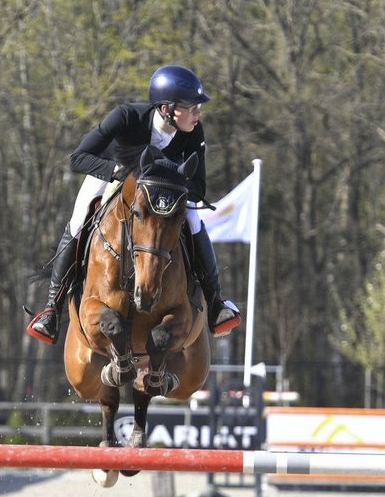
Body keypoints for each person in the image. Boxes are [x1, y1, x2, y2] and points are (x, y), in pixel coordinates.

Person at [26, 64, 241, 344]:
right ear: (166, 109)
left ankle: (216, 303)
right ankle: (52, 309)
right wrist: (117, 170)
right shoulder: (126, 117)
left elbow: (198, 187)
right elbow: (78, 157)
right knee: (79, 219)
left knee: (194, 219)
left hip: (164, 189)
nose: (197, 114)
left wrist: (170, 179)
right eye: (191, 107)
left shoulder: (193, 132)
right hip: (114, 175)